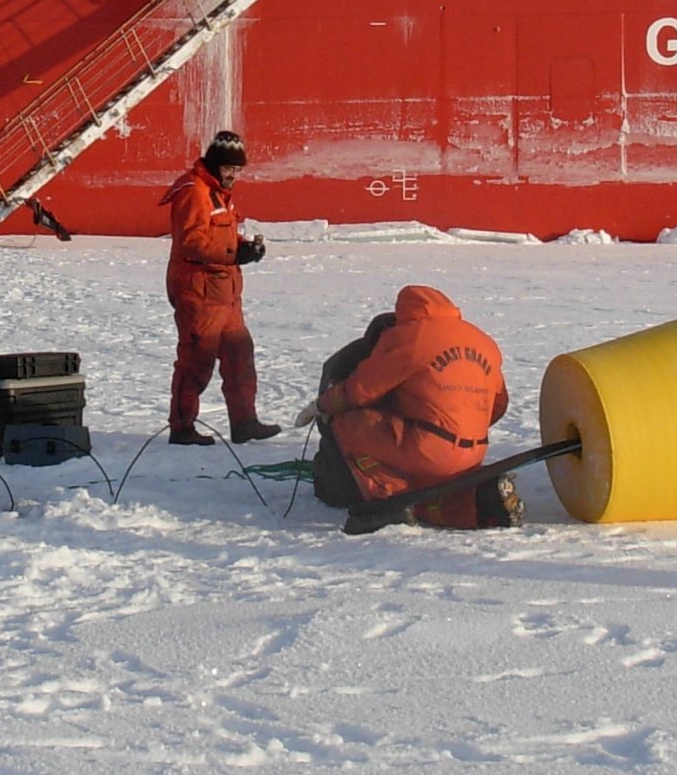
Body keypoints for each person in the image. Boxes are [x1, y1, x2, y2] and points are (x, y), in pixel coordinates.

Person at [311, 285, 518, 533]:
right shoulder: (482, 340)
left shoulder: (409, 335)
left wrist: (323, 405)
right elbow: (499, 405)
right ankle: (475, 505)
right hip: (474, 451)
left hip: (427, 448)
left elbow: (360, 391)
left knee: (349, 423)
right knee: (430, 483)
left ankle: (391, 501)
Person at [162, 130, 280, 446]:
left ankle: (245, 423)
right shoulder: (194, 192)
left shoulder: (218, 193)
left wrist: (244, 248)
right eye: (229, 168)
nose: (233, 175)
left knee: (240, 355)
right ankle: (182, 428)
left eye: (237, 169)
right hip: (199, 292)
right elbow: (192, 242)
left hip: (225, 293)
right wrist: (233, 254)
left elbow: (220, 237)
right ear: (215, 165)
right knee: (196, 361)